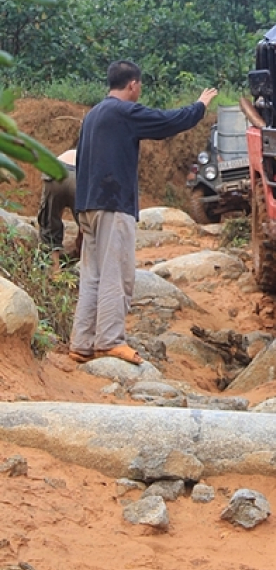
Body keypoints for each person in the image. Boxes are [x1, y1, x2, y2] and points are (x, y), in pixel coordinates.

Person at [69, 60, 217, 365]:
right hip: (113, 203)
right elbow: (168, 122)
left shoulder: (93, 115)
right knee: (116, 273)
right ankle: (109, 341)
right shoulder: (124, 112)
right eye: (140, 86)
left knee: (92, 275)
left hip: (87, 203)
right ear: (133, 85)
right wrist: (200, 106)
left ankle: (81, 342)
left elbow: (81, 161)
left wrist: (80, 211)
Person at [37, 147, 81, 269]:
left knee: (49, 221)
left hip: (55, 169)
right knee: (89, 226)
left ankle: (54, 272)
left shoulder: (72, 152)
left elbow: (54, 216)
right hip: (79, 176)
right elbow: (87, 226)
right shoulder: (94, 159)